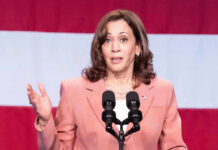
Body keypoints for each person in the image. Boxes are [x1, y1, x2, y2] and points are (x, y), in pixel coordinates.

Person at [27, 9, 187, 150]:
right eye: (108, 40)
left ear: (138, 47)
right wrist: (45, 119)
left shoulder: (162, 90)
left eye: (123, 39)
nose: (115, 48)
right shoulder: (74, 90)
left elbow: (174, 146)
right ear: (101, 48)